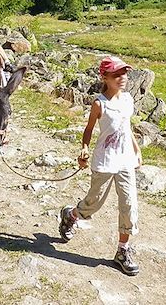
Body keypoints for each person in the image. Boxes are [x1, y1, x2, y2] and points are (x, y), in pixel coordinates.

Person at [58, 56, 142, 276]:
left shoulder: (128, 100)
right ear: (104, 77)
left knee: (129, 204)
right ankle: (71, 216)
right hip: (105, 160)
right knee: (93, 204)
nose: (122, 78)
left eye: (124, 73)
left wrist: (136, 149)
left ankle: (122, 251)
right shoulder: (99, 104)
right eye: (116, 74)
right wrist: (84, 148)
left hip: (125, 160)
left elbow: (126, 126)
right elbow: (89, 129)